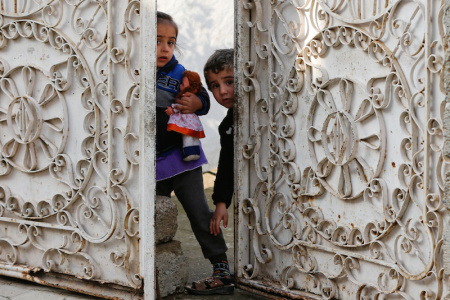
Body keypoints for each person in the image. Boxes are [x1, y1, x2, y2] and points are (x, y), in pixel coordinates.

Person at [155, 12, 234, 295]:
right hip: (151, 163)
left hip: (182, 159)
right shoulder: (134, 73)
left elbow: (203, 100)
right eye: (157, 41)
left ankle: (220, 266)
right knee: (151, 212)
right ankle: (150, 266)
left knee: (200, 214)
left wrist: (194, 102)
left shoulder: (180, 73)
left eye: (170, 42)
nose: (165, 48)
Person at [185, 49, 236, 295]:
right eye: (214, 86)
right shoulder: (228, 124)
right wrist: (221, 202)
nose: (222, 92)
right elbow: (227, 164)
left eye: (229, 82)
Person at [165, 71, 205, 161]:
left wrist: (172, 109)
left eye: (182, 84)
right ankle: (196, 152)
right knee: (194, 136)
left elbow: (180, 106)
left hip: (186, 121)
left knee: (187, 136)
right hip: (194, 121)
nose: (180, 86)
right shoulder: (193, 96)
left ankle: (189, 152)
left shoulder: (186, 96)